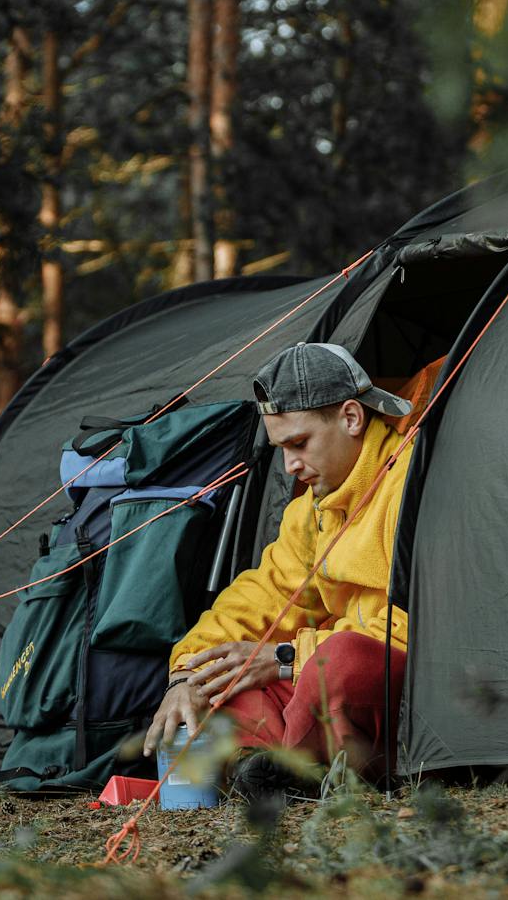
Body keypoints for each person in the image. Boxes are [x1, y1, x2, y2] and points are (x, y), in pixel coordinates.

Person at [142, 341, 416, 795]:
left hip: (398, 685)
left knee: (338, 662)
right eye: (280, 448)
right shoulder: (312, 509)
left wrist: (291, 658)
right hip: (321, 689)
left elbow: (424, 624)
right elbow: (264, 595)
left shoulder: (409, 481)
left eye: (299, 443)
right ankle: (272, 771)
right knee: (224, 685)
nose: (290, 466)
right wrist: (188, 674)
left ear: (351, 418)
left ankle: (294, 771)